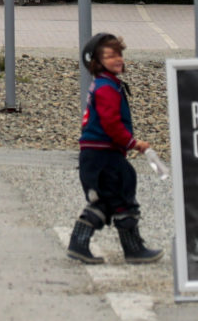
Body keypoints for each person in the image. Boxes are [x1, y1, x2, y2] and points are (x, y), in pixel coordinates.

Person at [67, 32, 164, 265]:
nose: (117, 59)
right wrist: (133, 143)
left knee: (105, 199)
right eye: (110, 56)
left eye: (119, 54)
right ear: (97, 62)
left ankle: (79, 244)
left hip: (95, 154)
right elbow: (111, 123)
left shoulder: (105, 85)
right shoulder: (107, 89)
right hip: (104, 154)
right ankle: (133, 249)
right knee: (121, 195)